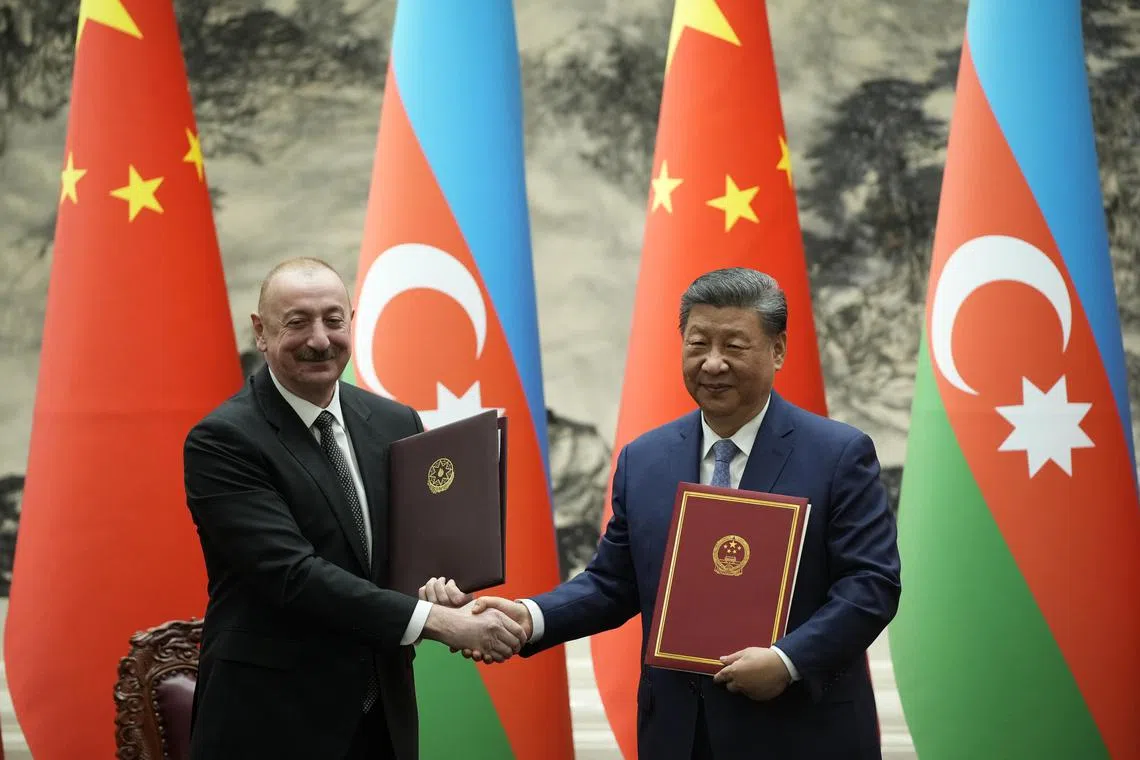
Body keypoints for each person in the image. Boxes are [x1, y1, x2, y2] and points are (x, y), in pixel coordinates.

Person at [428, 267, 902, 759]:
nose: (713, 364)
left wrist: (788, 661)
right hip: (678, 734)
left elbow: (871, 585)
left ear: (777, 350)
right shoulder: (645, 459)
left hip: (800, 731)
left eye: (734, 346)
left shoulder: (838, 455)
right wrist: (529, 616)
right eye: (698, 344)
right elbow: (613, 583)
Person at [182, 257, 525, 760]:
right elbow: (292, 575)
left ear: (351, 320)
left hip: (381, 718)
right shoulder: (222, 441)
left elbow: (408, 556)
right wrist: (436, 621)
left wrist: (442, 589)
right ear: (261, 330)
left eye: (333, 319)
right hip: (271, 722)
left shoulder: (393, 422)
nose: (319, 339)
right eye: (297, 322)